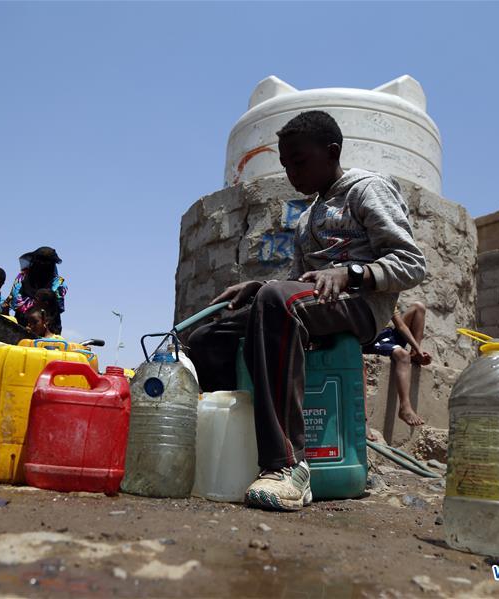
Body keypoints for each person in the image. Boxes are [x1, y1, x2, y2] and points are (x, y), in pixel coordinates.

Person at [185, 111, 426, 512]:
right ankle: (228, 452)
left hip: (359, 307)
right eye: (285, 165)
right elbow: (299, 282)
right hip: (313, 304)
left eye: (299, 162)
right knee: (207, 339)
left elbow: (412, 263)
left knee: (277, 300)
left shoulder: (366, 190)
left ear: (331, 153)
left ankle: (287, 467)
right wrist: (258, 287)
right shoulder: (307, 218)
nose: (291, 173)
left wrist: (352, 273)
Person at [363, 302, 431, 429]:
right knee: (402, 355)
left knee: (418, 307)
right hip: (368, 341)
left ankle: (415, 354)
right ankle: (405, 407)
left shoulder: (386, 295)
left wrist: (418, 349)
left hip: (383, 335)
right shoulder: (365, 294)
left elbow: (400, 326)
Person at [5, 246, 67, 327]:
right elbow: (14, 300)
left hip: (49, 329)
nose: (42, 266)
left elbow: (57, 309)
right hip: (21, 325)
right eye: (40, 262)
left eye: (46, 263)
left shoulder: (58, 284)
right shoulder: (22, 278)